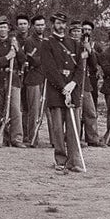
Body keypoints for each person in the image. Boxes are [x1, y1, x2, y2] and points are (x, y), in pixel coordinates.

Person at [38, 12, 84, 172]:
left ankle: (74, 160)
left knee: (73, 128)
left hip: (73, 89)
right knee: (58, 128)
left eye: (63, 23)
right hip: (56, 91)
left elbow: (80, 68)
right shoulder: (47, 43)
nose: (61, 26)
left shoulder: (75, 44)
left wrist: (72, 84)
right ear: (53, 24)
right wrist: (62, 87)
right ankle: (60, 160)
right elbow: (48, 68)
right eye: (58, 23)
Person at [0, 16, 24, 146]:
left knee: (15, 110)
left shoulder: (14, 44)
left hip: (13, 80)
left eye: (5, 27)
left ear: (8, 29)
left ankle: (16, 139)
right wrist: (8, 57)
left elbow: (23, 61)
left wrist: (17, 50)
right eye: (0, 27)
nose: (3, 30)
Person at [22, 14, 47, 146]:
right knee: (34, 110)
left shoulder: (48, 40)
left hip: (47, 78)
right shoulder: (29, 41)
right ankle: (32, 138)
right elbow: (33, 60)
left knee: (49, 110)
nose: (40, 27)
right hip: (33, 78)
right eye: (38, 25)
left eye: (42, 24)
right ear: (33, 26)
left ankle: (54, 140)